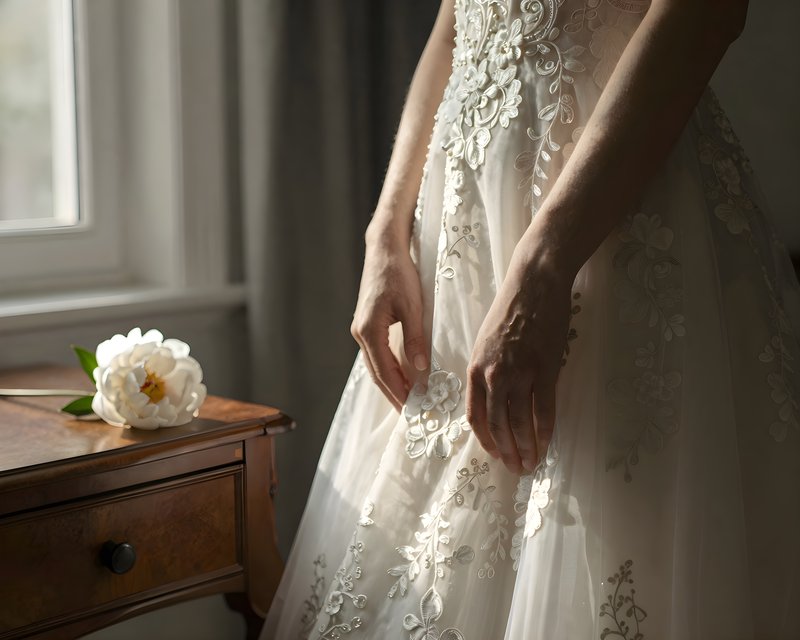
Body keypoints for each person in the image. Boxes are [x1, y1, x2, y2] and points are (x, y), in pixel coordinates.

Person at [263, 0, 800, 637]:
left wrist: (545, 265)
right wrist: (387, 231)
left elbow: (703, 13)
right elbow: (455, 23)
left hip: (611, 216)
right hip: (461, 241)